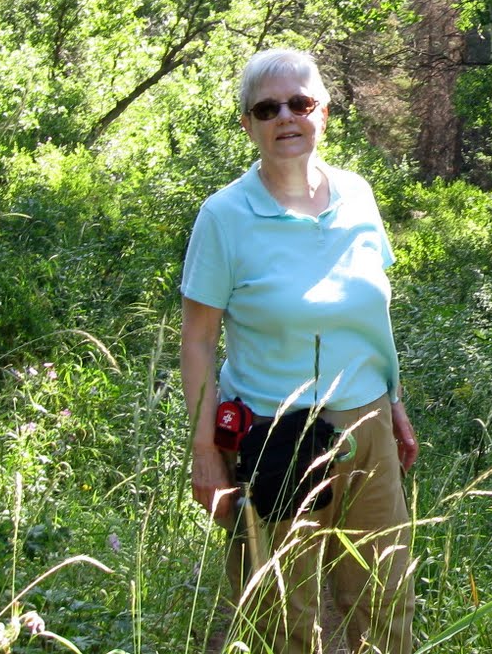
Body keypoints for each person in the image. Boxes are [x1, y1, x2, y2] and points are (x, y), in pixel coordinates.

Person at [180, 47, 416, 654]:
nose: (286, 117)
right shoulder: (224, 216)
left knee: (384, 600)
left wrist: (393, 403)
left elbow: (371, 313)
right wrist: (206, 452)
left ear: (324, 113)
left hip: (368, 429)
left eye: (300, 103)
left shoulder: (358, 195)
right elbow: (199, 341)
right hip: (274, 435)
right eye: (267, 108)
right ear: (248, 124)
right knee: (285, 614)